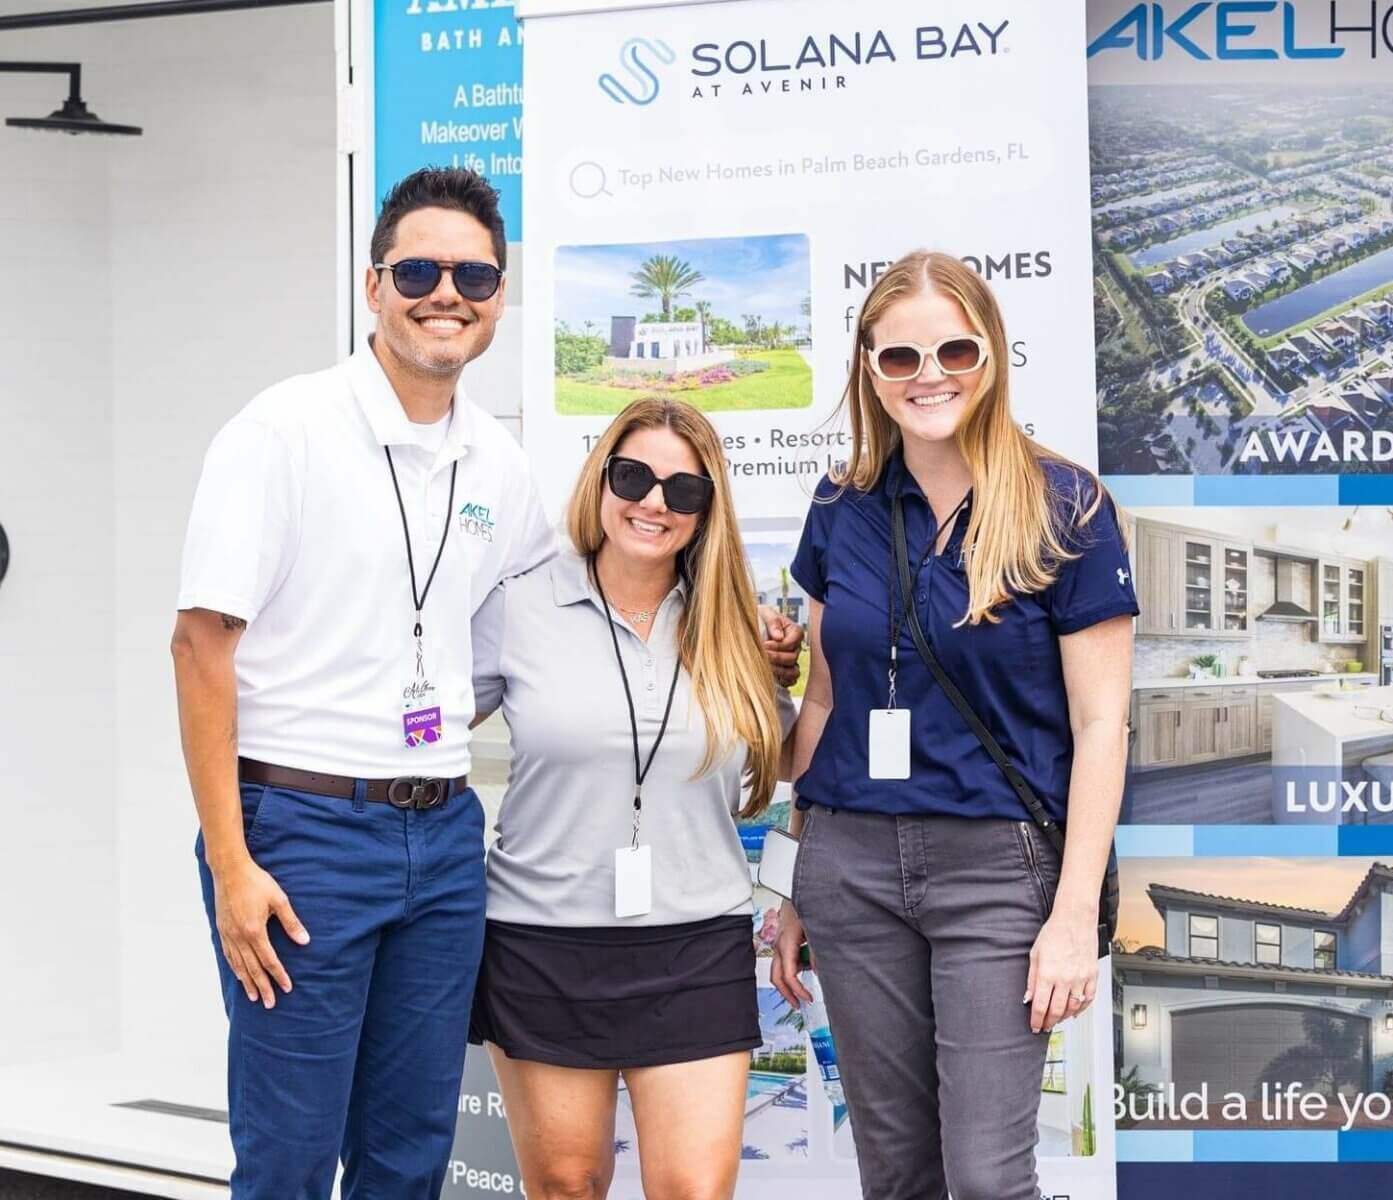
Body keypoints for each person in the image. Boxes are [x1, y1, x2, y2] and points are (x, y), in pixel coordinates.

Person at [172, 167, 803, 1199]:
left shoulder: (496, 464)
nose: (445, 292)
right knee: (289, 1156)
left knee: (411, 1151)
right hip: (303, 828)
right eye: (417, 269)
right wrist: (234, 863)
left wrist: (744, 635)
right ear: (374, 285)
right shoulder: (281, 433)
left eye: (472, 274)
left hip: (445, 840)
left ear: (500, 296)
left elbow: (568, 625)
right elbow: (199, 646)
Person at [770, 250, 1136, 1200]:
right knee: (895, 1174)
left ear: (993, 355)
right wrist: (791, 880)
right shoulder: (837, 506)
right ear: (867, 368)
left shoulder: (1069, 506)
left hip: (996, 874)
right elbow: (822, 703)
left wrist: (1068, 918)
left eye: (953, 350)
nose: (927, 376)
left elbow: (1102, 728)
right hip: (848, 867)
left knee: (984, 1178)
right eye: (899, 358)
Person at [468, 397, 798, 1200]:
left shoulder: (734, 627)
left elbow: (790, 763)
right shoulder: (517, 604)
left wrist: (791, 672)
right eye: (633, 477)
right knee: (568, 1184)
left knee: (691, 1190)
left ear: (704, 511)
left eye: (682, 491)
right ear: (600, 479)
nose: (653, 503)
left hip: (695, 942)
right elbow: (419, 727)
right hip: (541, 940)